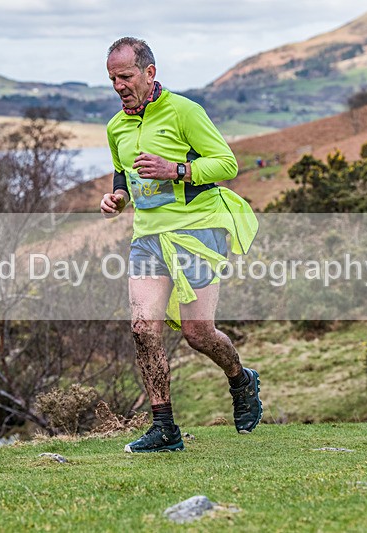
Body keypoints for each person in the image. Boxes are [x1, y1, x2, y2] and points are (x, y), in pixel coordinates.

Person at [99, 37, 262, 453]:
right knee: (142, 329)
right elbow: (123, 173)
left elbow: (227, 163)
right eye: (113, 78)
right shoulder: (116, 126)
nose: (119, 85)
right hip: (147, 238)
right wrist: (117, 197)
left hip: (198, 231)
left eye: (126, 76)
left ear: (149, 73)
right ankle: (164, 427)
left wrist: (176, 169)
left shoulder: (185, 111)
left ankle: (241, 381)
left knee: (198, 333)